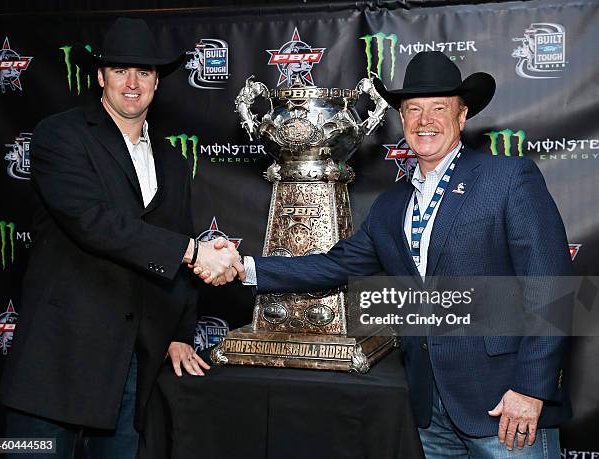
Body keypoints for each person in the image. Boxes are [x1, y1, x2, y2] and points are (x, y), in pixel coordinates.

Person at [200, 51, 572, 458]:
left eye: (438, 108)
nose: (424, 120)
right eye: (413, 109)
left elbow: (551, 288)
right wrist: (243, 267)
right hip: (430, 411)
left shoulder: (508, 179)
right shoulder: (392, 204)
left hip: (505, 405)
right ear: (401, 118)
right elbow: (335, 264)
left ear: (462, 116)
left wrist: (531, 389)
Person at [0, 17, 243, 458]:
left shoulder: (170, 159)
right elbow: (94, 222)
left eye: (144, 72)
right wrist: (194, 252)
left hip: (129, 370)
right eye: (120, 70)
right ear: (99, 77)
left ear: (157, 83)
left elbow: (175, 237)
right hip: (55, 366)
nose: (132, 83)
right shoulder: (61, 135)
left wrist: (179, 332)